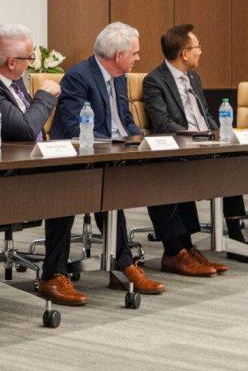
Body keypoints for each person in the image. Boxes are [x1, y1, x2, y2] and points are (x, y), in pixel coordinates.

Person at [44, 22, 165, 307]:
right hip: (73, 159)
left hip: (110, 155)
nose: (138, 58)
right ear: (118, 54)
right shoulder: (78, 77)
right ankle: (55, 273)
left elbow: (124, 118)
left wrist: (136, 138)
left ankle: (121, 264)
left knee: (116, 190)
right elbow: (74, 126)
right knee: (74, 190)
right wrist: (116, 142)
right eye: (134, 53)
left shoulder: (120, 77)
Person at [138, 24, 229, 277]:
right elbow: (162, 122)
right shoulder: (155, 80)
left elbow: (205, 114)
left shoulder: (193, 77)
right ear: (184, 54)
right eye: (197, 46)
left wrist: (220, 133)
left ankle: (188, 247)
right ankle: (175, 251)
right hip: (176, 147)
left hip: (203, 144)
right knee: (169, 173)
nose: (201, 51)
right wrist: (197, 136)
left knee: (238, 159)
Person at [0, 23, 60, 145]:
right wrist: (45, 95)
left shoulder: (13, 77)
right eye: (30, 57)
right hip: (5, 161)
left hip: (33, 155)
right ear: (12, 63)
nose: (30, 63)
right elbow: (26, 131)